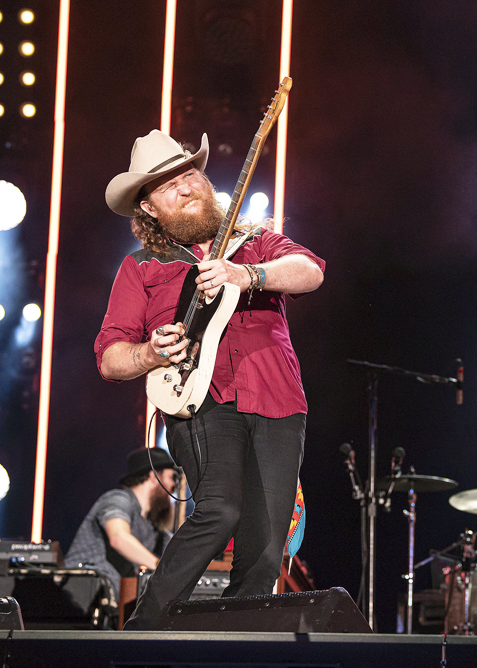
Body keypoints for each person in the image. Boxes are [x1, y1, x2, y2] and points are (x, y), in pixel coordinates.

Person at [97, 129, 325, 629]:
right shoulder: (142, 268)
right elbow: (111, 357)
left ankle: (238, 643)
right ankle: (142, 629)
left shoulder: (257, 243)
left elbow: (310, 271)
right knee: (221, 508)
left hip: (278, 398)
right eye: (168, 183)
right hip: (201, 399)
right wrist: (150, 351)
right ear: (150, 208)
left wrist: (251, 276)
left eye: (191, 174)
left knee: (266, 546)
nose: (187, 186)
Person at [64, 447, 178, 603]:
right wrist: (161, 569)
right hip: (78, 599)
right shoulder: (118, 499)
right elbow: (119, 538)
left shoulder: (152, 528)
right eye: (171, 477)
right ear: (153, 477)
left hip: (109, 606)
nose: (173, 486)